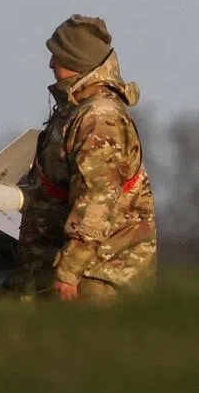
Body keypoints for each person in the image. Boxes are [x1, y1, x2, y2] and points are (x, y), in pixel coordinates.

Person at [16, 15, 157, 302]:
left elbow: (96, 200)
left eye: (56, 56)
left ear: (75, 60)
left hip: (98, 277)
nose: (50, 64)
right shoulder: (77, 111)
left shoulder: (98, 119)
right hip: (79, 272)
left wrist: (69, 270)